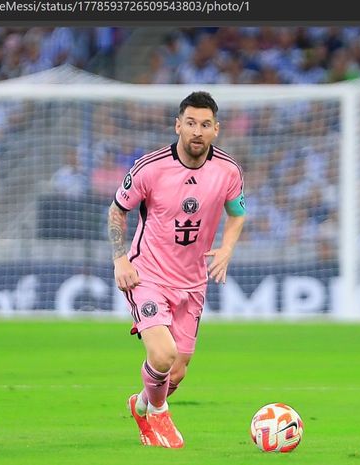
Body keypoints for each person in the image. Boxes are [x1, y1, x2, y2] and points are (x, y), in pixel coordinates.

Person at [107, 91, 246, 448]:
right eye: (190, 123)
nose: (197, 131)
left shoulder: (229, 171)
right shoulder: (150, 168)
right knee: (163, 354)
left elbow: (237, 214)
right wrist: (120, 259)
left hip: (193, 281)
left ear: (216, 129)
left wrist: (227, 248)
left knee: (177, 370)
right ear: (177, 125)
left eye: (204, 125)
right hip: (147, 275)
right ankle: (159, 414)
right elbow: (117, 211)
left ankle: (141, 405)